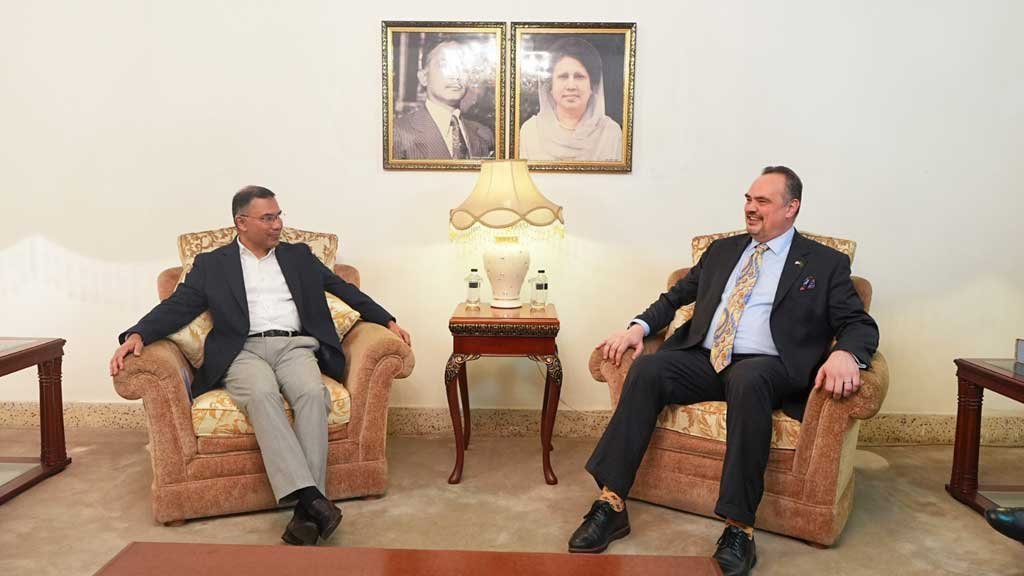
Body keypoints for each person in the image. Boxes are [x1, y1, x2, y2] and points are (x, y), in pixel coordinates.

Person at [568, 167, 879, 576]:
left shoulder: (824, 263)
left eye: (762, 201)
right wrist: (637, 328)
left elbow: (858, 323)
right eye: (748, 199)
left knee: (749, 381)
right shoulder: (722, 251)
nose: (750, 208)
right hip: (707, 358)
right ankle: (611, 503)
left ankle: (739, 528)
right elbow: (675, 297)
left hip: (769, 365)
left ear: (791, 208)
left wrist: (847, 355)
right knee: (649, 369)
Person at [109, 186, 411, 546]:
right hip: (242, 350)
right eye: (267, 218)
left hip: (295, 345)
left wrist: (387, 320)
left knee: (312, 394)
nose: (277, 224)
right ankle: (313, 498)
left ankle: (307, 511)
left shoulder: (299, 256)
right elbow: (178, 305)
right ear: (242, 222)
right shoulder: (213, 264)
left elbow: (345, 290)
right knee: (261, 395)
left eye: (278, 216)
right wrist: (138, 333)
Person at [518, 37, 623, 162]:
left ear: (593, 86)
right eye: (563, 76)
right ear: (550, 86)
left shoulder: (610, 132)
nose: (571, 86)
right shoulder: (530, 131)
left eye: (579, 77)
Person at [393, 39, 495, 160]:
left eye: (462, 68)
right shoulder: (397, 132)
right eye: (445, 66)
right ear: (423, 77)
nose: (456, 75)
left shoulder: (484, 135)